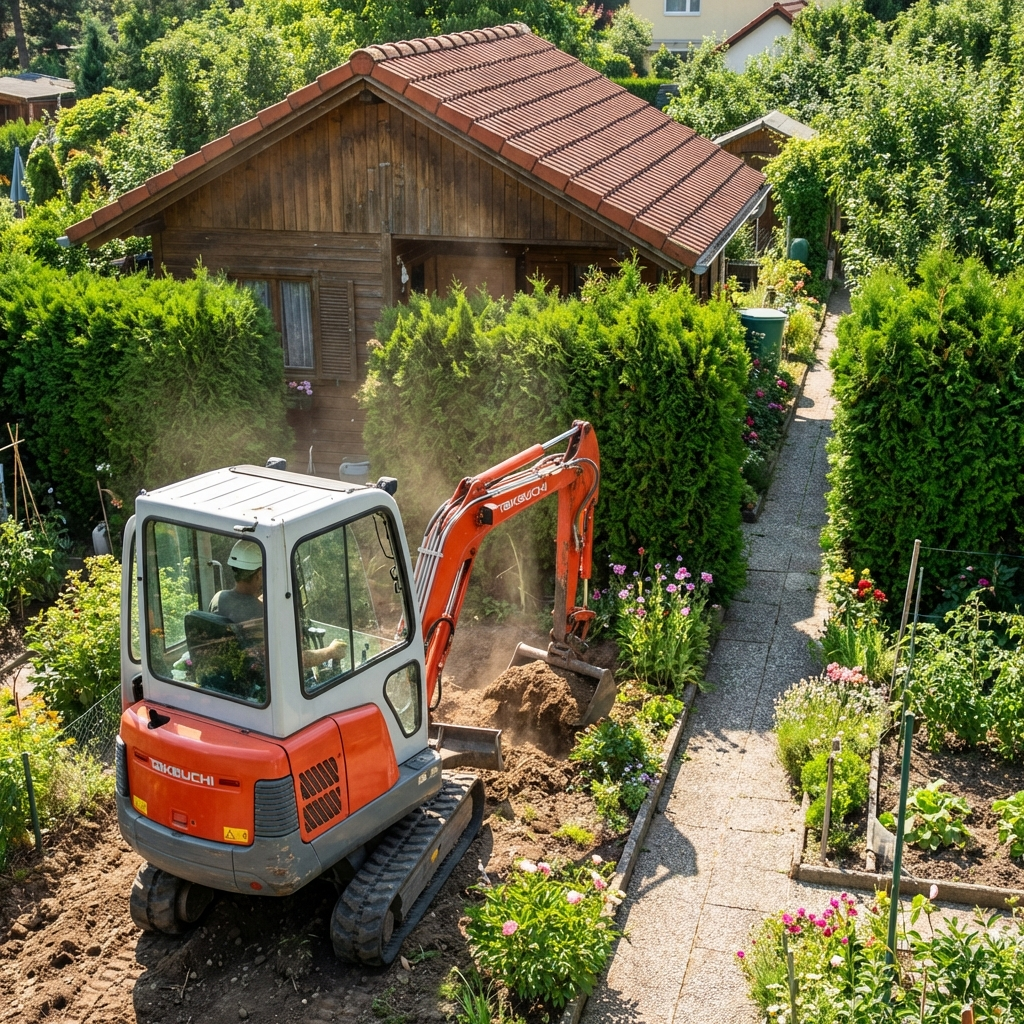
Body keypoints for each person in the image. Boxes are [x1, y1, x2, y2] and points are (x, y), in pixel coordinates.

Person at [209, 540, 345, 669]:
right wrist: (331, 651)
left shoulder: (218, 599)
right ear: (259, 573)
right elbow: (298, 659)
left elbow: (241, 608)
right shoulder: (263, 616)